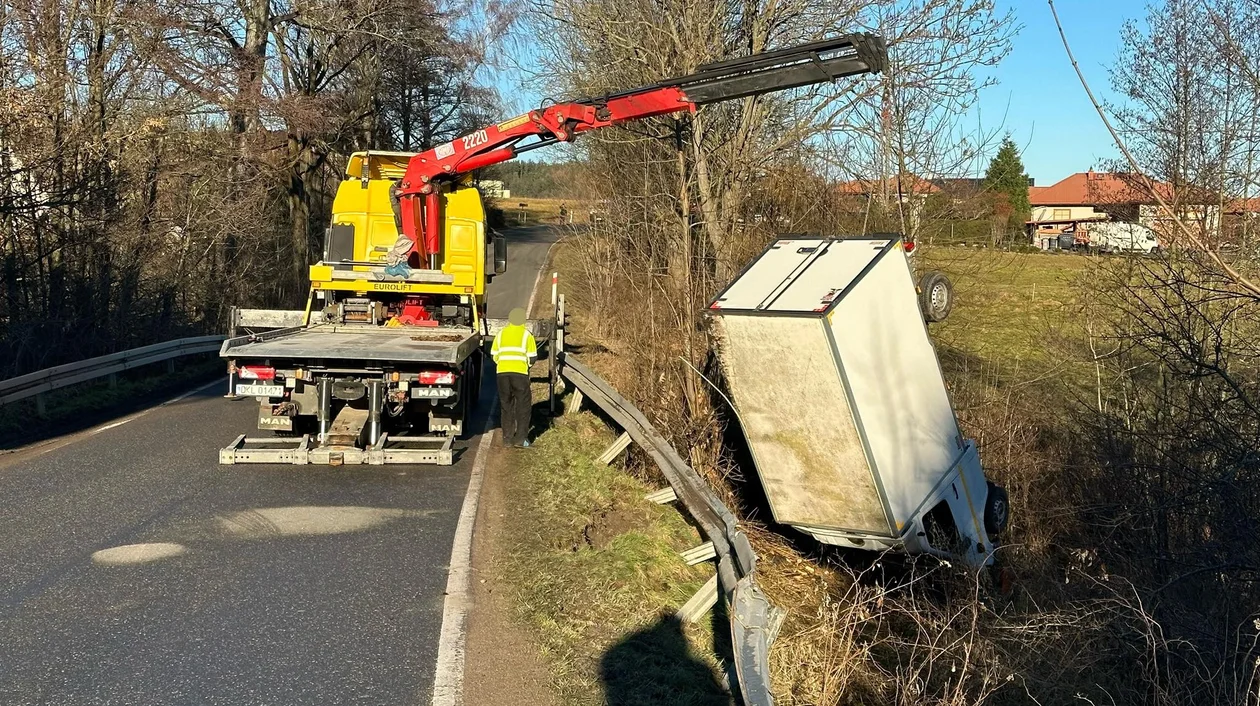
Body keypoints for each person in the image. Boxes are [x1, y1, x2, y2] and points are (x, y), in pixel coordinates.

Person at [491, 307, 538, 448]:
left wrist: (503, 364)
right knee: (523, 406)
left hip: (502, 374)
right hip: (520, 374)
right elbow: (533, 357)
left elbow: (494, 355)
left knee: (506, 405)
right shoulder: (526, 335)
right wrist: (526, 366)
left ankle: (507, 439)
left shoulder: (501, 334)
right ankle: (520, 439)